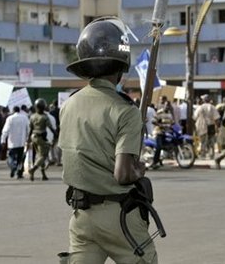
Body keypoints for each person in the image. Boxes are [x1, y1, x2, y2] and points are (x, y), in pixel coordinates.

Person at [59, 17, 157, 263]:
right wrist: (139, 169)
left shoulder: (69, 104)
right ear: (121, 68)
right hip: (119, 217)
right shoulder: (125, 110)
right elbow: (122, 174)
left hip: (82, 217)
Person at [26, 98, 57, 181]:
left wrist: (28, 139)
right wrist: (56, 134)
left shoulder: (32, 116)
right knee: (43, 156)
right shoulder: (44, 117)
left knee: (39, 156)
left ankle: (43, 175)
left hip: (33, 137)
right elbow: (50, 127)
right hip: (41, 138)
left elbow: (31, 129)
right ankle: (33, 169)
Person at [1, 106, 30, 179]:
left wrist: (3, 140)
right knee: (20, 159)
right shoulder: (24, 118)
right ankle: (19, 173)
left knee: (11, 157)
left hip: (12, 142)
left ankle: (13, 167)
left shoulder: (10, 118)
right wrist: (28, 139)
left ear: (13, 111)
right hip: (21, 142)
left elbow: (5, 130)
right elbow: (28, 129)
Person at [193, 94, 220, 159]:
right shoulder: (212, 107)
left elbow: (194, 117)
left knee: (203, 141)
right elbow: (216, 118)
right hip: (211, 125)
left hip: (202, 126)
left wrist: (194, 127)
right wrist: (217, 127)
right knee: (211, 141)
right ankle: (211, 155)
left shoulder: (200, 107)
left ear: (203, 100)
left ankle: (203, 155)